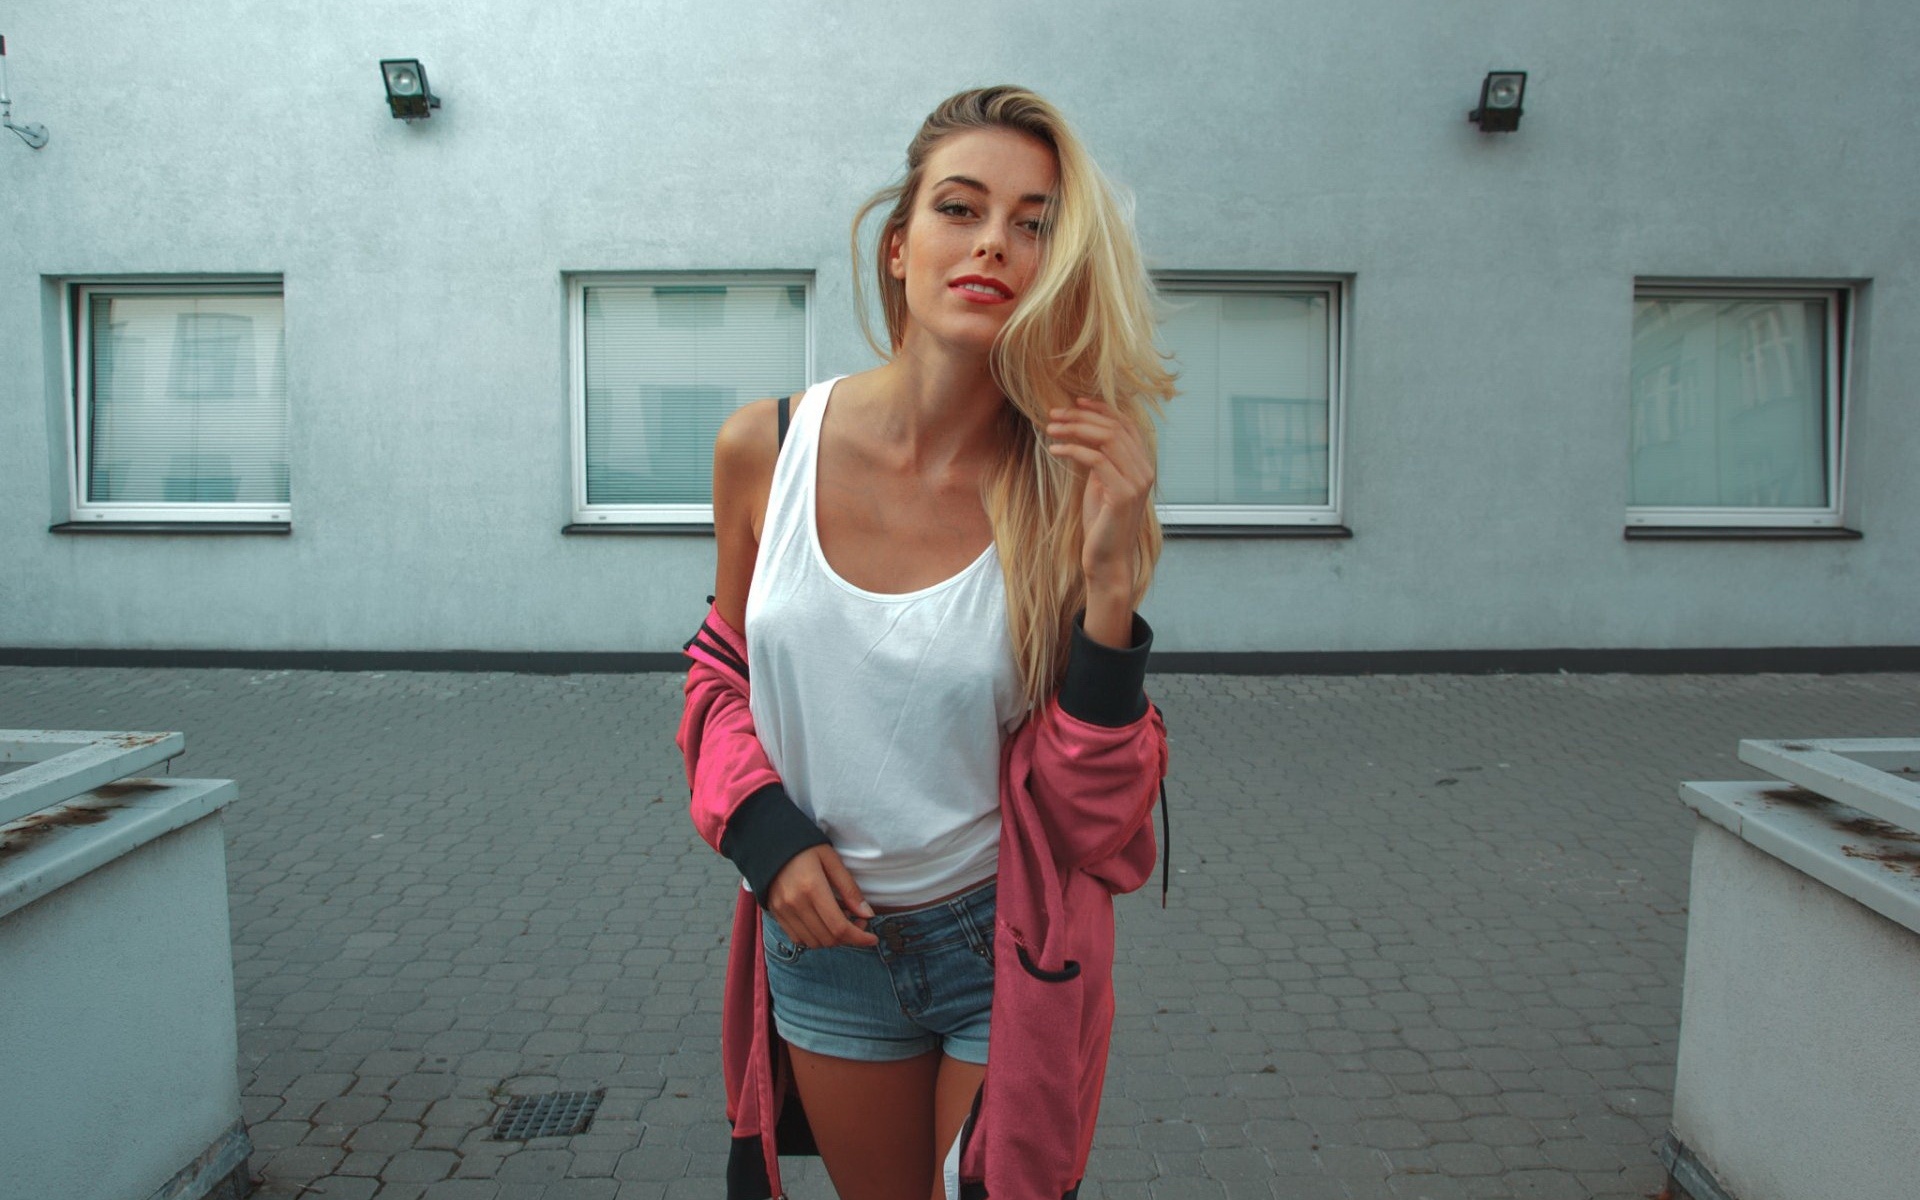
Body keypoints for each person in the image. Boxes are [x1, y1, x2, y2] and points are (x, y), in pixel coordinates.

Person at [679, 85, 1173, 1200]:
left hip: (1004, 942)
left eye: (1035, 224)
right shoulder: (765, 448)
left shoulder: (1068, 488)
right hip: (827, 945)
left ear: (1057, 269)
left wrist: (1110, 591)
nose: (995, 241)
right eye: (962, 207)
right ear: (899, 247)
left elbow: (1093, 820)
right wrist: (763, 833)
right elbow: (718, 679)